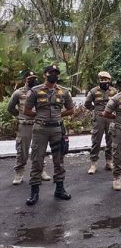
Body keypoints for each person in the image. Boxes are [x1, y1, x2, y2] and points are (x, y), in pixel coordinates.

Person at [24, 65, 74, 206]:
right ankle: (34, 192)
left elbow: (70, 109)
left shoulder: (64, 92)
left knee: (59, 160)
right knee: (37, 159)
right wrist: (39, 117)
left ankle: (59, 189)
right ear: (45, 74)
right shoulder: (35, 91)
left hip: (57, 130)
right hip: (40, 130)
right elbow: (27, 110)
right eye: (51, 73)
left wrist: (58, 116)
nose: (54, 75)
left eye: (56, 73)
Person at [7, 70, 51, 184]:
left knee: (40, 149)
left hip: (38, 124)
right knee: (22, 150)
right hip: (25, 125)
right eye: (30, 79)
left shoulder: (40, 91)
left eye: (34, 78)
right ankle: (19, 172)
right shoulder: (18, 93)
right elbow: (10, 108)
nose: (33, 80)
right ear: (25, 80)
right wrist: (20, 116)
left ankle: (41, 170)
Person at [84, 71, 117, 174]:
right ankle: (93, 163)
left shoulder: (114, 91)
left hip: (110, 118)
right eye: (102, 79)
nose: (104, 81)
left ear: (109, 80)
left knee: (110, 140)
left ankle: (109, 162)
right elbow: (87, 103)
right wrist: (95, 110)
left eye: (106, 79)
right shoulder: (93, 91)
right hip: (99, 118)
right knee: (96, 140)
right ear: (99, 80)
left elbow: (118, 103)